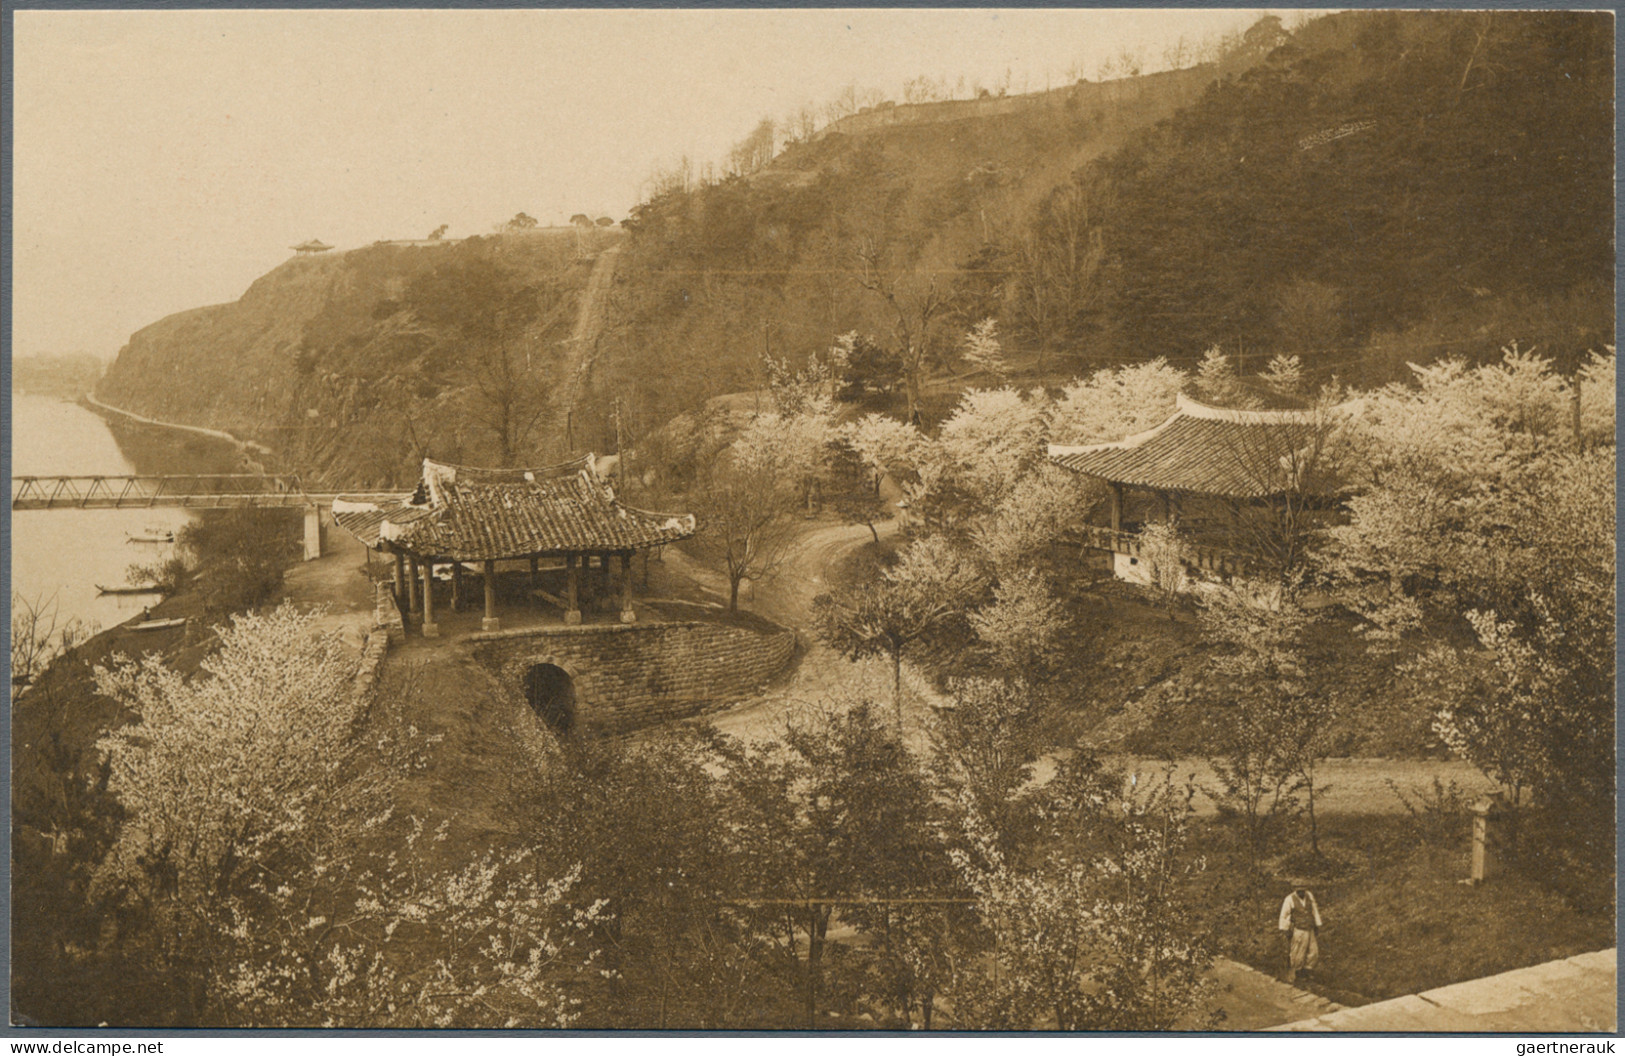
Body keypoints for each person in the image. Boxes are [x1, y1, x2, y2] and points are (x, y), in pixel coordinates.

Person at [1277, 885, 1322, 984]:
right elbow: (1283, 915)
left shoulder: (1309, 896)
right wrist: (1285, 929)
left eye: (1303, 890)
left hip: (1310, 928)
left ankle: (1308, 971)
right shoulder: (1289, 899)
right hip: (1299, 929)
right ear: (1295, 890)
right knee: (1298, 952)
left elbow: (1314, 910)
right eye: (1299, 891)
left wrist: (1317, 924)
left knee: (1314, 951)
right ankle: (1297, 973)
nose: (1301, 893)